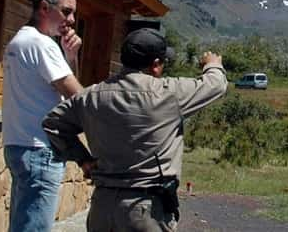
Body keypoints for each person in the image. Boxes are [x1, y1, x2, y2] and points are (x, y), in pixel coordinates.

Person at [43, 27, 227, 231]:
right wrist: (213, 64)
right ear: (156, 65)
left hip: (102, 207)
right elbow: (216, 85)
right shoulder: (168, 94)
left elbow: (53, 123)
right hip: (145, 209)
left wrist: (83, 159)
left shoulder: (92, 96)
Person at [2, 0, 84, 232]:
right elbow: (77, 98)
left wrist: (70, 58)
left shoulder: (19, 40)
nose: (71, 20)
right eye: (67, 11)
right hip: (40, 151)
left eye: (74, 14)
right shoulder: (43, 44)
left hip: (18, 145)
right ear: (44, 7)